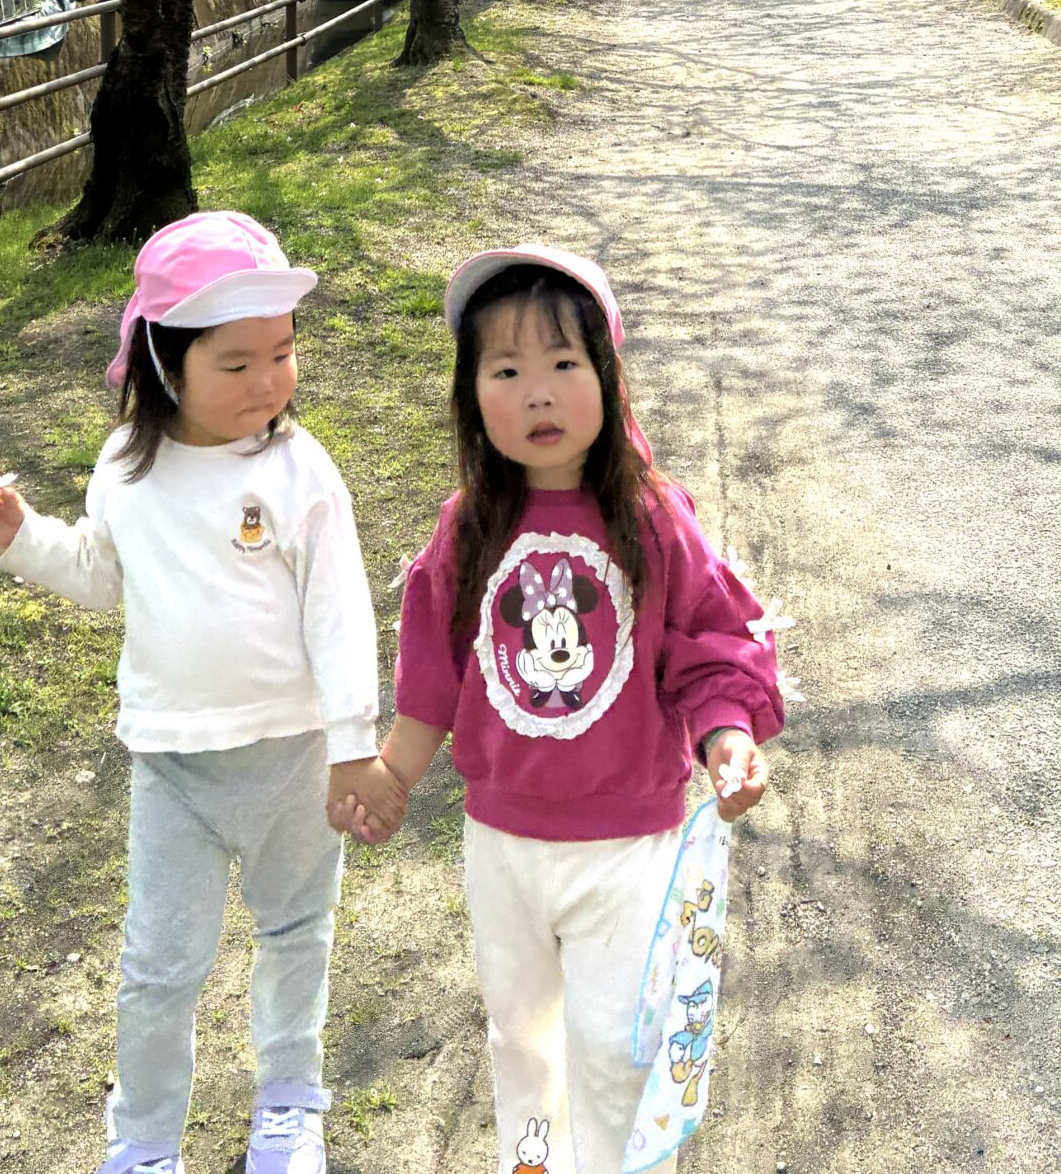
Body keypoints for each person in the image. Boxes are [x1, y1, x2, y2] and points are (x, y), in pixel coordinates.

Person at [0, 212, 397, 1174]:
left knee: (294, 934)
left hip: (290, 759)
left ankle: (289, 1103)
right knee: (158, 969)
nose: (267, 382)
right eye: (234, 363)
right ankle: (145, 1142)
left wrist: (352, 740)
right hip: (174, 768)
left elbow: (339, 614)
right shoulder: (126, 469)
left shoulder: (298, 470)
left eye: (282, 353)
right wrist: (23, 537)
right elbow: (102, 574)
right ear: (165, 364)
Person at [335, 246, 784, 1174]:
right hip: (502, 850)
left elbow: (710, 641)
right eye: (507, 371)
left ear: (609, 382)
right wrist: (389, 776)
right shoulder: (465, 530)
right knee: (525, 1047)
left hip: (629, 848)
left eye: (563, 365)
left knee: (616, 1045)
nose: (538, 393)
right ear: (473, 396)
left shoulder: (653, 517)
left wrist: (728, 737)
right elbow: (431, 686)